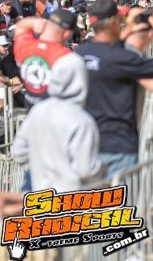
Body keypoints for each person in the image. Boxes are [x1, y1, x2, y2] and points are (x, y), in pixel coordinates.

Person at [77, 0, 153, 177]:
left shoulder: (79, 54)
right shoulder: (122, 58)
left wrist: (127, 30)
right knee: (121, 203)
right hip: (118, 146)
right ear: (113, 22)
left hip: (86, 144)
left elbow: (106, 51)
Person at [11, 49, 102, 192]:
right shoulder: (82, 120)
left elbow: (18, 151)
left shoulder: (38, 110)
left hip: (38, 194)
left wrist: (39, 170)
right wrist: (102, 170)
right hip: (69, 200)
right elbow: (86, 169)